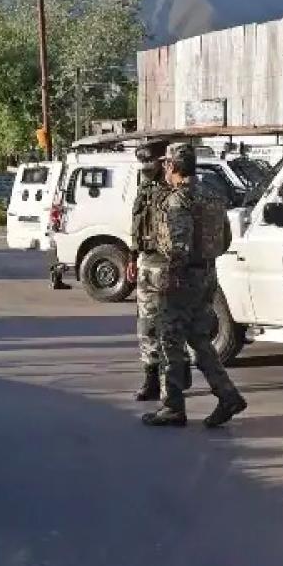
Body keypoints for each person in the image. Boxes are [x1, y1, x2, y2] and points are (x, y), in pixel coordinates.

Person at [140, 143, 247, 428]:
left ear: (172, 166)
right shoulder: (213, 196)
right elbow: (224, 240)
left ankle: (172, 405)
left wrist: (170, 281)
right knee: (200, 339)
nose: (163, 168)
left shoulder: (178, 200)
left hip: (181, 277)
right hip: (207, 275)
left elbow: (178, 247)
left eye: (165, 164)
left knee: (168, 340)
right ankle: (227, 394)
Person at [127, 139, 169, 401]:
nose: (145, 168)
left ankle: (173, 382)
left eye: (149, 163)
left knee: (172, 327)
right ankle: (151, 379)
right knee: (147, 324)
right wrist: (132, 257)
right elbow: (136, 224)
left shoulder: (172, 189)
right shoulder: (144, 188)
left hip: (168, 263)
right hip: (146, 261)